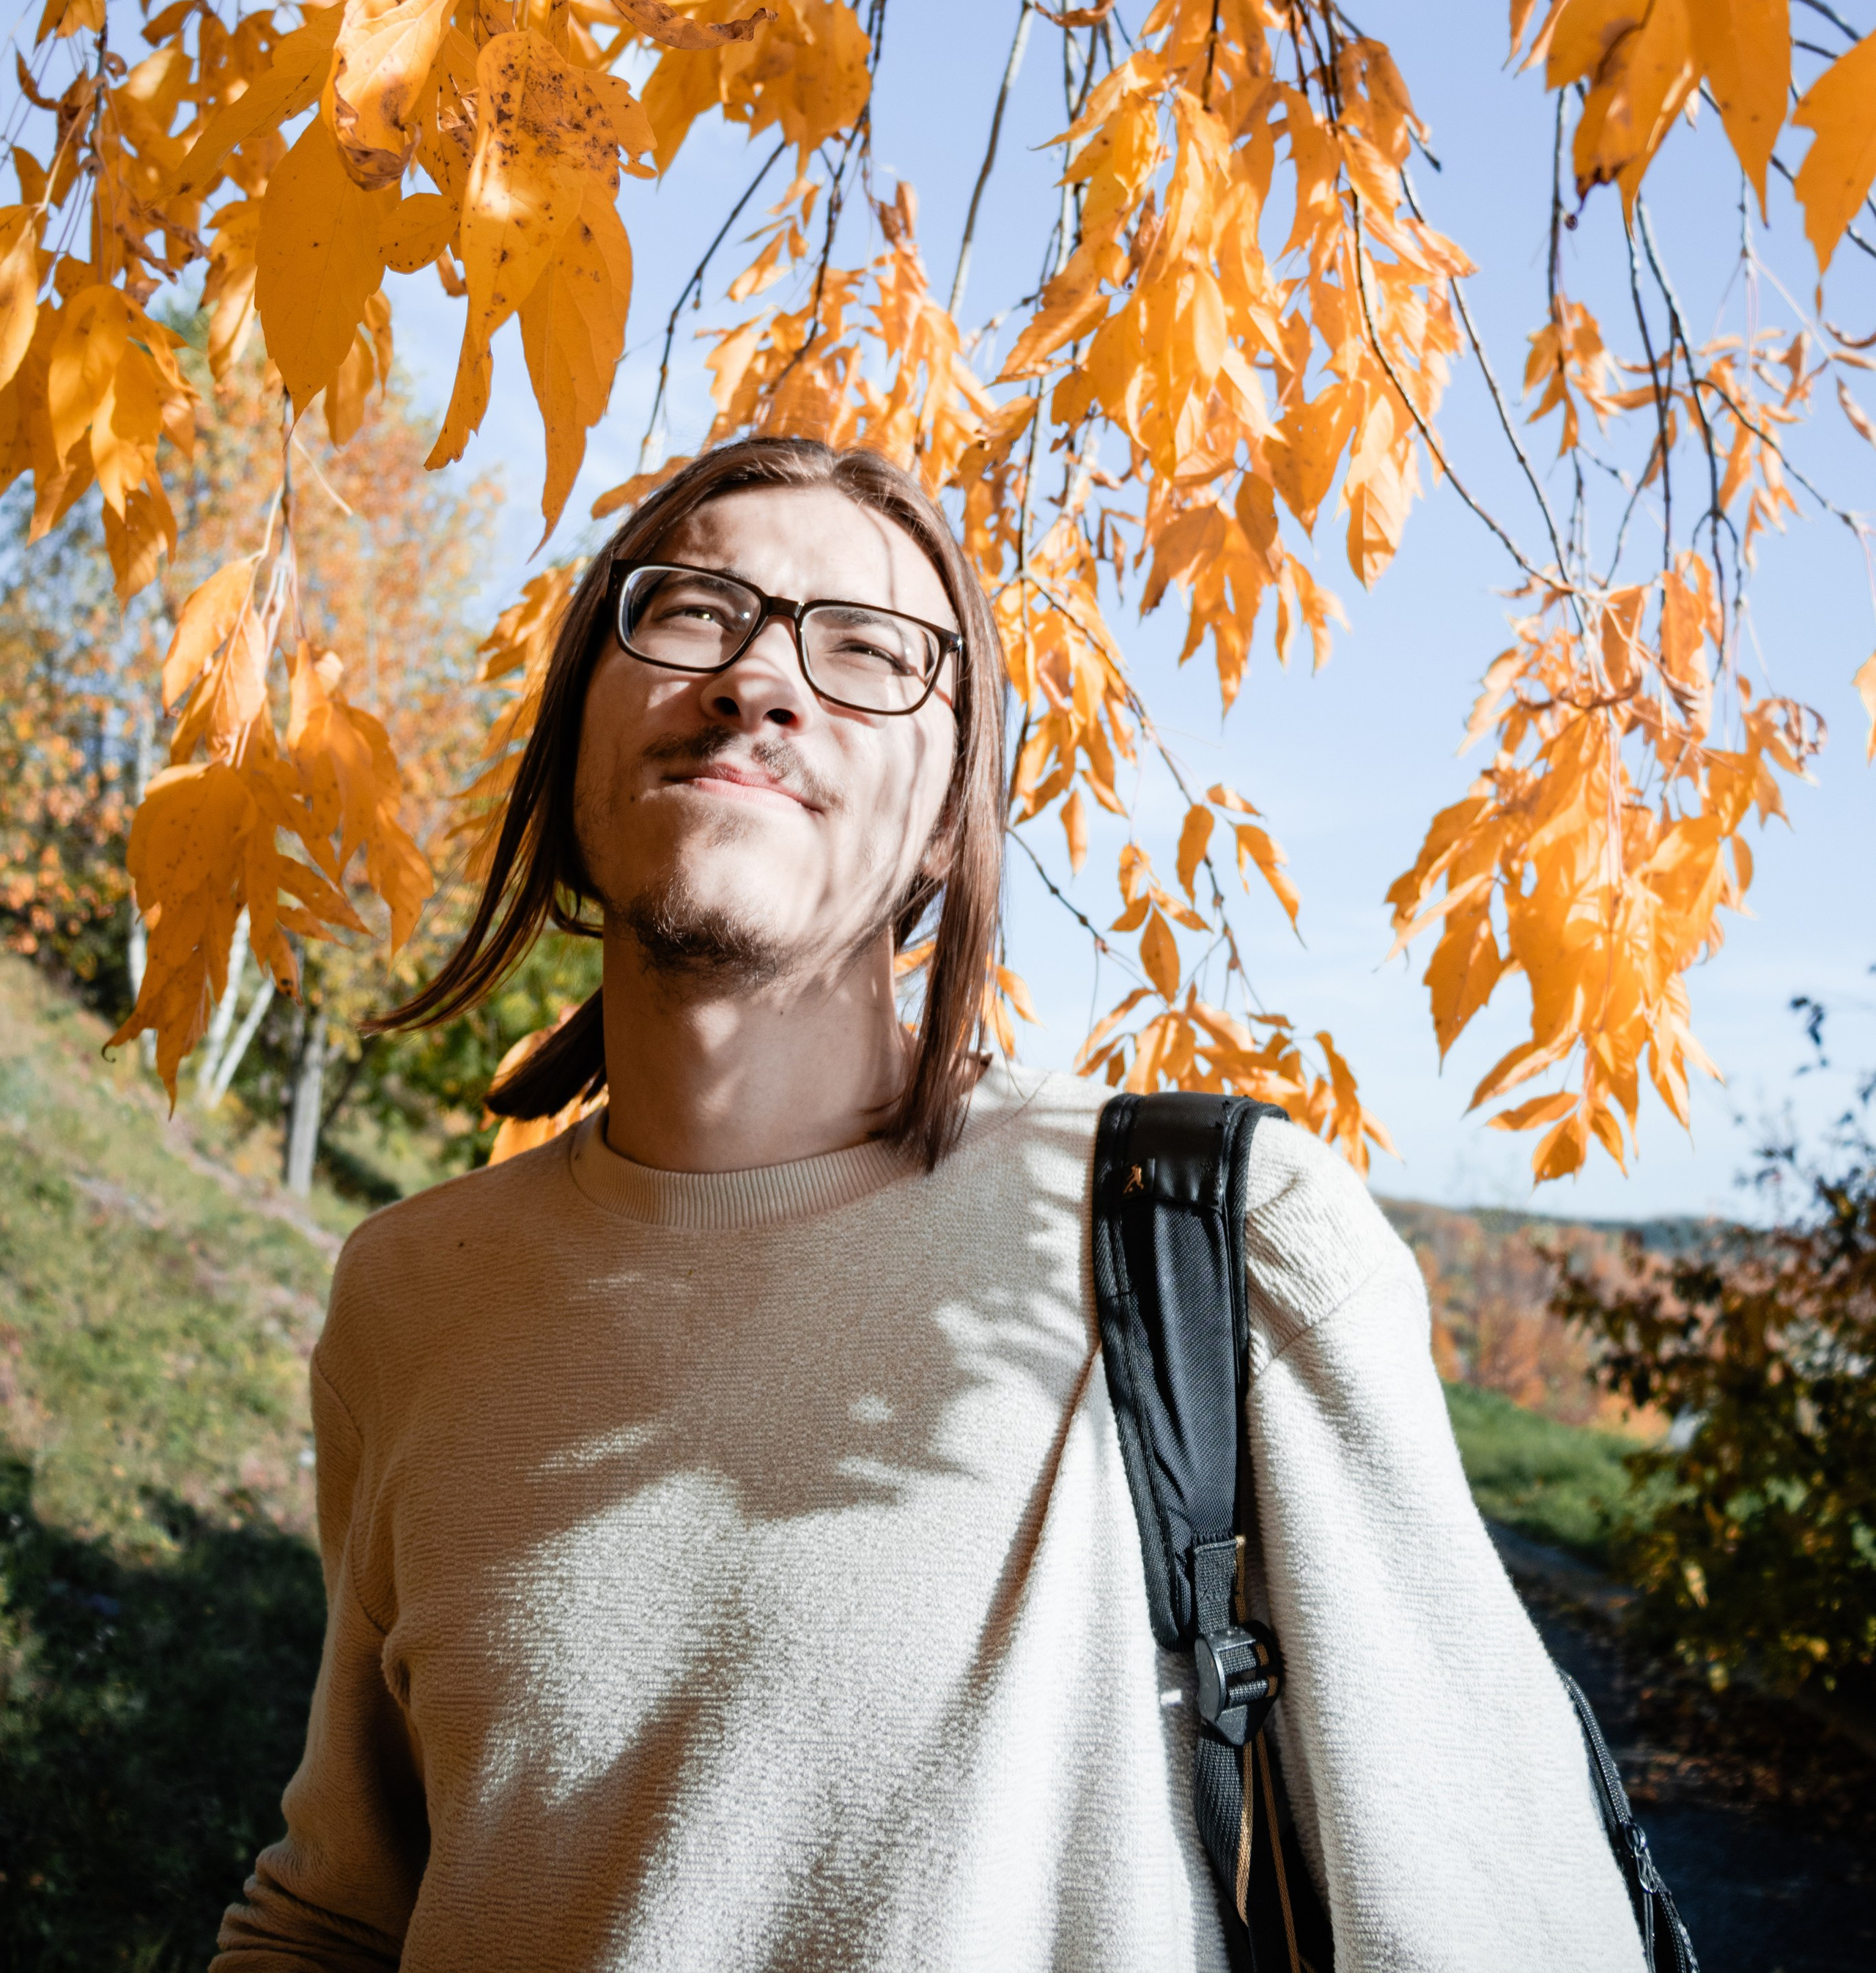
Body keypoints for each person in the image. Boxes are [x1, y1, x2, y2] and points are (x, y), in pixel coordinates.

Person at [215, 433, 1647, 1973]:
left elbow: (1500, 1925)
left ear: (943, 821)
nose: (760, 682)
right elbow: (341, 1911)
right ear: (571, 735)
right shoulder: (412, 1293)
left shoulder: (1206, 1242)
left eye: (867, 653)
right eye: (692, 611)